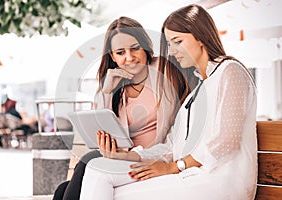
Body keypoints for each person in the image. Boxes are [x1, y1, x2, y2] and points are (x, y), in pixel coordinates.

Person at [80, 4, 257, 200]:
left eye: (177, 41)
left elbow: (227, 142)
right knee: (98, 172)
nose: (172, 51)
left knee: (113, 193)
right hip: (190, 176)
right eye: (169, 44)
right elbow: (172, 146)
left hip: (219, 182)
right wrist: (129, 156)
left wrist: (174, 166)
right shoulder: (197, 91)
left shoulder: (229, 71)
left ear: (201, 37)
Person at [53, 16, 194, 200]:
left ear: (145, 47)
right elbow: (102, 132)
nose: (129, 58)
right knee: (62, 190)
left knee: (85, 166)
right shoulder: (115, 86)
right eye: (120, 52)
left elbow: (175, 130)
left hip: (151, 158)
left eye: (135, 48)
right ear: (112, 56)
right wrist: (107, 91)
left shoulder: (162, 70)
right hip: (121, 159)